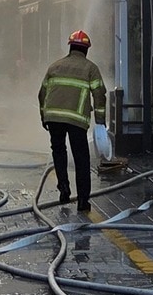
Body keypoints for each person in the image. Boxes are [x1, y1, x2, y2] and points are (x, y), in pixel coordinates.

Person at [38, 30, 106, 215]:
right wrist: (100, 122)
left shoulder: (54, 67)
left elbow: (42, 94)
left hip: (54, 118)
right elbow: (99, 94)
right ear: (86, 50)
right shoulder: (91, 68)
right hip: (76, 120)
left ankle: (64, 190)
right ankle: (83, 200)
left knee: (58, 151)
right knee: (81, 158)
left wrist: (44, 116)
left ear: (70, 46)